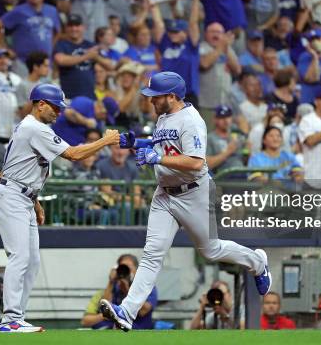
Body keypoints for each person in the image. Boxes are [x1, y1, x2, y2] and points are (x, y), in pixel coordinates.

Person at [99, 72, 271, 332]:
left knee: (210, 250)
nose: (151, 101)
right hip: (165, 194)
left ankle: (257, 262)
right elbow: (164, 146)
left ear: (172, 96)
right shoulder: (164, 115)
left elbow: (195, 162)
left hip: (194, 192)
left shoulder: (191, 120)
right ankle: (127, 312)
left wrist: (155, 159)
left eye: (155, 96)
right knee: (152, 254)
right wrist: (136, 143)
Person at [0, 83, 119, 332]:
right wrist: (105, 141)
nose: (58, 112)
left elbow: (22, 168)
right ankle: (10, 320)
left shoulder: (31, 128)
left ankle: (17, 316)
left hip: (22, 196)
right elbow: (73, 154)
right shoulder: (34, 127)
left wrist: (35, 200)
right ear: (40, 104)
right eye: (55, 107)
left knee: (32, 261)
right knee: (20, 258)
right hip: (12, 197)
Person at [151, 0, 201, 107]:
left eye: (177, 32)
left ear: (185, 32)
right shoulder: (165, 43)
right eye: (171, 32)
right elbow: (158, 22)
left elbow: (193, 23)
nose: (173, 34)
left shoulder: (191, 45)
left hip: (187, 95)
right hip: (167, 95)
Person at [0, 0, 61, 66]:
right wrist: (4, 47)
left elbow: (57, 31)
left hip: (45, 62)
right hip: (24, 61)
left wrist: (51, 47)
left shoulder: (52, 10)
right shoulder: (19, 11)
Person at [83, 253, 157, 329]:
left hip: (138, 327)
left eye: (129, 267)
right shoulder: (115, 286)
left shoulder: (146, 286)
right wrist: (111, 282)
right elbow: (105, 309)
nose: (126, 270)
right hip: (116, 327)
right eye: (123, 267)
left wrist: (127, 291)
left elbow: (143, 312)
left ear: (136, 270)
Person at [53, 14, 113, 99]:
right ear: (66, 28)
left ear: (83, 27)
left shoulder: (90, 45)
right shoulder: (61, 44)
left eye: (77, 25)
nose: (74, 29)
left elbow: (110, 66)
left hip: (90, 96)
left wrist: (96, 57)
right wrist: (86, 56)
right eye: (71, 25)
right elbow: (60, 60)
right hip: (69, 97)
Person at [198, 23, 241, 127]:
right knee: (207, 135)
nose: (215, 35)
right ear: (206, 34)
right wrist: (221, 47)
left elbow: (237, 70)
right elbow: (204, 64)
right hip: (207, 104)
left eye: (219, 32)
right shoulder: (201, 48)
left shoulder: (228, 50)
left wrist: (226, 49)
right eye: (212, 32)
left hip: (225, 102)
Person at [206, 105, 246, 174]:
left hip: (242, 174)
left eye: (228, 116)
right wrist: (227, 152)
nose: (226, 120)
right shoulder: (210, 138)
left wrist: (248, 153)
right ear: (215, 120)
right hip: (222, 177)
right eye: (222, 117)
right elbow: (207, 164)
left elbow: (244, 161)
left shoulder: (238, 135)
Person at [16, 52, 50, 118]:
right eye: (45, 66)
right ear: (35, 67)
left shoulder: (45, 85)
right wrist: (37, 96)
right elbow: (22, 113)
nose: (48, 69)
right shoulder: (22, 85)